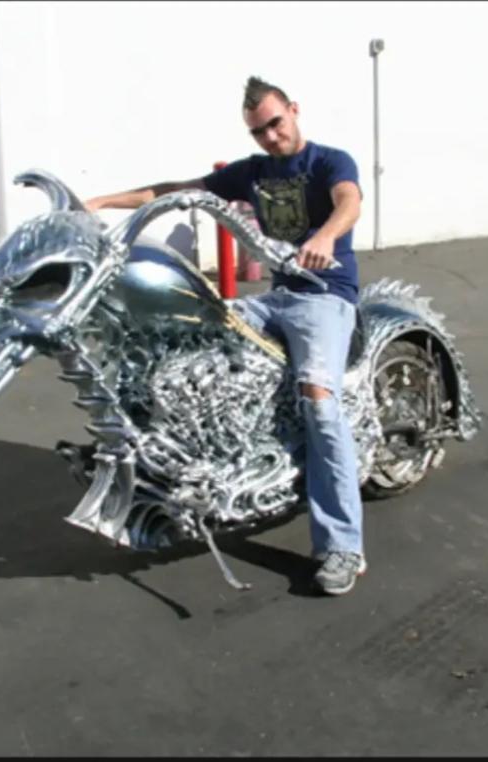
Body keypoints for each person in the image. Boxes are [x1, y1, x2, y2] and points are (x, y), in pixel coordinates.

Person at [85, 76, 366, 595]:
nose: (271, 137)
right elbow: (172, 191)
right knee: (189, 330)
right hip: (276, 298)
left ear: (294, 110)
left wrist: (328, 235)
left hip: (325, 297)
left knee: (319, 401)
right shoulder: (252, 172)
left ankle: (341, 545)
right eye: (259, 131)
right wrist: (101, 201)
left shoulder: (330, 161)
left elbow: (349, 200)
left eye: (276, 124)